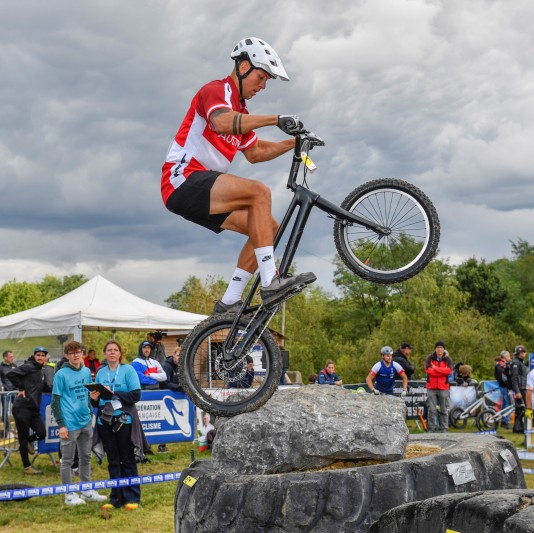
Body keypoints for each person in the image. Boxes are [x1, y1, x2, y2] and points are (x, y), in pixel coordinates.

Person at [161, 36, 316, 316]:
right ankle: (270, 281)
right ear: (243, 66)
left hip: (201, 190)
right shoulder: (216, 90)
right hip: (182, 179)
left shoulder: (242, 112)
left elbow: (255, 152)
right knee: (259, 192)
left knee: (268, 227)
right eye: (261, 77)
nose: (263, 86)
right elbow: (221, 121)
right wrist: (275, 119)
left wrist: (294, 144)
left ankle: (230, 301)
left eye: (267, 80)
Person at [52, 341, 107, 505]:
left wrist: (90, 410)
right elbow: (55, 402)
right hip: (69, 423)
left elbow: (86, 393)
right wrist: (61, 424)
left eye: (78, 352)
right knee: (67, 460)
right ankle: (69, 494)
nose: (76, 355)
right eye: (72, 353)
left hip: (85, 421)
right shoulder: (60, 375)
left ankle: (86, 490)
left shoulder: (86, 371)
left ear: (82, 353)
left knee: (86, 457)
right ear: (67, 355)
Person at [92, 341, 142, 511]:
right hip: (105, 420)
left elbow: (136, 395)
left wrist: (114, 394)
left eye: (115, 350)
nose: (112, 353)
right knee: (113, 460)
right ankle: (115, 499)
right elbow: (97, 400)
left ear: (120, 354)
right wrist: (94, 398)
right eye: (109, 350)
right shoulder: (101, 372)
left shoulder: (128, 370)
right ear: (105, 354)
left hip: (124, 421)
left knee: (127, 459)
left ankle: (132, 497)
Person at [7, 347, 52, 474]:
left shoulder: (41, 371)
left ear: (45, 358)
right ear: (34, 356)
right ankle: (27, 467)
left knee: (42, 433)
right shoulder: (28, 366)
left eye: (42, 355)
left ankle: (29, 442)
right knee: (23, 437)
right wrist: (21, 388)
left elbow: (46, 388)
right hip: (22, 407)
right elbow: (11, 374)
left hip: (34, 409)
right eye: (38, 355)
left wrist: (59, 388)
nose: (40, 357)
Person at [425, 341, 453, 433]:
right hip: (431, 387)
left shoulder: (448, 359)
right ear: (435, 349)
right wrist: (442, 372)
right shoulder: (430, 358)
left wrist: (436, 368)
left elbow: (448, 371)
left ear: (444, 349)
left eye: (441, 347)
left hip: (443, 387)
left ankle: (444, 429)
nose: (439, 349)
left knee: (444, 410)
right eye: (437, 347)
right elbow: (428, 370)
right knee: (432, 410)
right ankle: (431, 429)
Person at [509, 345, 529, 434]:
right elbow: (514, 378)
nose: (523, 354)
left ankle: (519, 427)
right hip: (520, 389)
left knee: (521, 409)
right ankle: (518, 428)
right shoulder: (516, 363)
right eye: (521, 352)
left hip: (523, 387)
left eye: (524, 352)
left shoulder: (521, 362)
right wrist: (517, 391)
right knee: (521, 409)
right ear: (518, 353)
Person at [1, 350, 19, 437]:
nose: (12, 358)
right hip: (5, 393)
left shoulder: (15, 366)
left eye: (13, 356)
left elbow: (19, 377)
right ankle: (7, 430)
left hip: (15, 392)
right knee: (5, 412)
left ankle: (18, 429)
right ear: (5, 358)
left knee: (18, 410)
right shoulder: (1, 367)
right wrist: (2, 387)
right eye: (10, 356)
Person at [493, 350, 512, 429]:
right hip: (504, 386)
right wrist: (508, 386)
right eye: (509, 356)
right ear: (505, 357)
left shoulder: (500, 364)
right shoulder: (501, 364)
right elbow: (503, 377)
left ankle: (503, 419)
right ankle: (505, 421)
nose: (510, 358)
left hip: (503, 386)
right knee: (507, 403)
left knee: (504, 403)